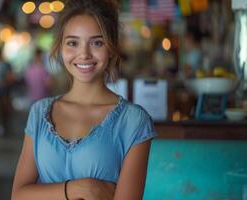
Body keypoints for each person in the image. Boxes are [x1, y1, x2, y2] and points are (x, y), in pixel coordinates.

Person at [11, 0, 157, 199]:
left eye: (97, 43)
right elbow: (18, 195)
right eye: (73, 43)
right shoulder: (40, 112)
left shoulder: (134, 120)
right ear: (60, 48)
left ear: (111, 48)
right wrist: (78, 188)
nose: (84, 54)